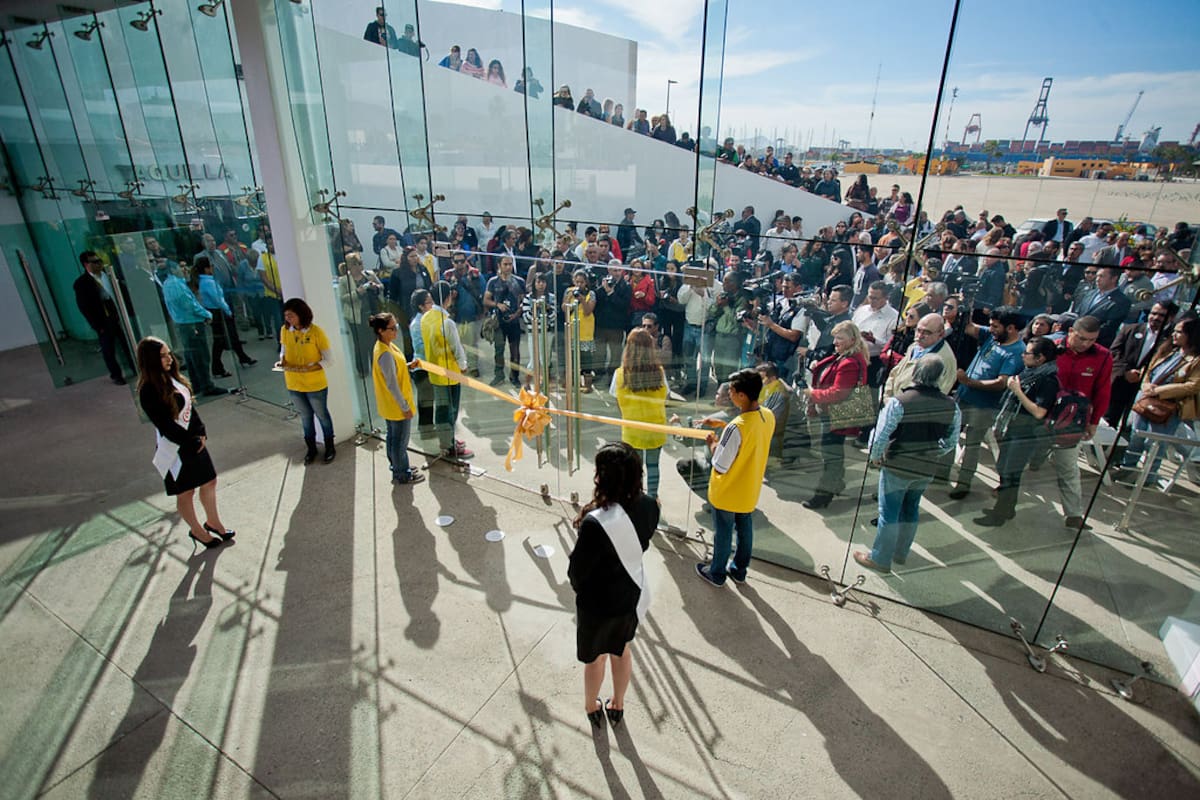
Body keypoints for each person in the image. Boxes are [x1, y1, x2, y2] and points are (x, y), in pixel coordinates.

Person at [567, 442, 659, 728]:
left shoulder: (595, 523)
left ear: (603, 477)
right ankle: (618, 704)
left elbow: (577, 573)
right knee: (622, 651)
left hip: (597, 603)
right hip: (629, 595)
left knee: (595, 659)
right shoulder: (650, 506)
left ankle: (591, 705)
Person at [854, 355, 961, 571]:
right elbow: (951, 441)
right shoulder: (952, 406)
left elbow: (881, 434)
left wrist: (875, 456)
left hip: (898, 464)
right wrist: (933, 453)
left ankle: (880, 558)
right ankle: (900, 553)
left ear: (915, 372)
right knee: (911, 508)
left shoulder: (900, 402)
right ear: (940, 377)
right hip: (926, 467)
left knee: (889, 513)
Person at [136, 336, 233, 553]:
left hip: (194, 441)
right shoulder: (148, 390)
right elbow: (165, 424)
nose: (169, 359)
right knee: (186, 491)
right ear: (151, 360)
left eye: (168, 354)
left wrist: (201, 432)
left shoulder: (172, 378)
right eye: (163, 356)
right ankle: (197, 530)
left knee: (209, 481)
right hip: (176, 449)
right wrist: (191, 441)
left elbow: (191, 407)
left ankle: (213, 522)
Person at [695, 369, 775, 586]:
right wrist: (722, 425)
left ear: (742, 395)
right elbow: (748, 438)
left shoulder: (735, 427)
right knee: (745, 530)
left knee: (723, 532)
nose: (728, 394)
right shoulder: (767, 416)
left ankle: (717, 572)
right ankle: (739, 570)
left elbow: (720, 465)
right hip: (749, 489)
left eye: (731, 390)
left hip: (728, 491)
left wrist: (713, 442)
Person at [974, 336, 1060, 526]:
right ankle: (1008, 508)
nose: (1023, 356)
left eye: (1027, 353)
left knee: (1010, 472)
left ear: (1040, 358)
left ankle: (1000, 514)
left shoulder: (1048, 380)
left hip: (1027, 432)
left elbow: (1039, 412)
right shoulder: (1030, 372)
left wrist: (1017, 390)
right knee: (1004, 467)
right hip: (1013, 427)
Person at [949, 306, 1026, 499]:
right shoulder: (994, 337)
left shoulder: (1016, 352)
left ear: (1011, 328)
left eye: (995, 326)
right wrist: (966, 307)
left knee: (972, 445)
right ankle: (942, 473)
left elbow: (1001, 383)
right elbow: (970, 328)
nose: (991, 329)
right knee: (950, 434)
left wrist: (969, 382)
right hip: (964, 396)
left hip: (983, 406)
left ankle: (963, 484)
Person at [1044, 316, 1111, 528]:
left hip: (1073, 422)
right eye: (1082, 338)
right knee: (1021, 458)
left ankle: (1073, 514)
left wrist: (1094, 422)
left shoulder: (1103, 356)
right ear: (1071, 331)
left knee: (1068, 467)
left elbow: (1103, 391)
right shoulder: (1051, 347)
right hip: (1041, 414)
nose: (1086, 344)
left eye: (1092, 340)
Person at [1117, 315, 1200, 484]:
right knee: (1136, 437)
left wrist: (1158, 391)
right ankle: (1127, 468)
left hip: (1168, 407)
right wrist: (1146, 384)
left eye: (1179, 332)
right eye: (1174, 331)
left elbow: (1193, 385)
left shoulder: (1196, 360)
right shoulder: (1168, 350)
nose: (1174, 335)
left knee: (1155, 443)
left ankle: (1148, 477)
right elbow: (1149, 369)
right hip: (1146, 399)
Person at [800, 321, 870, 509]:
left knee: (831, 455)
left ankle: (824, 494)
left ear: (852, 340)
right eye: (835, 338)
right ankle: (836, 483)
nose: (835, 342)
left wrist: (812, 394)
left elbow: (839, 393)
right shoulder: (847, 357)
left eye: (840, 338)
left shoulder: (849, 362)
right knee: (833, 453)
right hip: (834, 415)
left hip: (836, 416)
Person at [277, 298, 336, 465]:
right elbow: (283, 350)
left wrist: (312, 367)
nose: (288, 319)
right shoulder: (285, 330)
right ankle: (311, 449)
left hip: (314, 384)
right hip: (294, 383)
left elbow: (329, 360)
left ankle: (330, 447)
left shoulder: (316, 332)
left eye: (291, 315)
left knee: (322, 415)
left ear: (301, 314)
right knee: (305, 416)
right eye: (286, 316)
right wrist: (282, 360)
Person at [612, 329, 668, 498]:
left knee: (634, 468)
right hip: (655, 427)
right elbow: (665, 396)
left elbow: (616, 399)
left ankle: (636, 496)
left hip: (632, 429)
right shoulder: (659, 372)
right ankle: (652, 497)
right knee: (653, 466)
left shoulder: (620, 374)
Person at [369, 312, 423, 485]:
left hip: (390, 405)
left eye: (396, 326)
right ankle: (402, 474)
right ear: (381, 330)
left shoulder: (385, 346)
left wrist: (407, 366)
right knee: (400, 442)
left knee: (393, 438)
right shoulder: (385, 353)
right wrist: (405, 407)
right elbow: (392, 384)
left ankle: (398, 466)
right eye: (392, 328)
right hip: (397, 406)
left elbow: (392, 371)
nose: (396, 331)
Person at [1106, 301, 1178, 428]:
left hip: (1147, 390)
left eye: (1161, 315)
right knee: (1108, 422)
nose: (1155, 317)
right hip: (1121, 383)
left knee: (1132, 427)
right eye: (1153, 313)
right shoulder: (1130, 329)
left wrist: (1144, 374)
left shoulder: (1174, 340)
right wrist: (1126, 371)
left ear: (1171, 317)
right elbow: (1114, 352)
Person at [423, 281, 473, 461]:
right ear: (448, 297)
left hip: (434, 372)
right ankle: (449, 446)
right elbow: (457, 348)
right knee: (450, 411)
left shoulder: (425, 318)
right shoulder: (447, 323)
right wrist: (463, 366)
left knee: (442, 410)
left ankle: (447, 440)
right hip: (450, 374)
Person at [73, 250, 129, 384]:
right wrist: (97, 326)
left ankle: (134, 367)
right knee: (109, 350)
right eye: (95, 262)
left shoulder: (109, 276)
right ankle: (116, 375)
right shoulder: (82, 283)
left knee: (126, 344)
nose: (99, 264)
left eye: (99, 261)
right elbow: (84, 307)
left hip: (118, 315)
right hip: (103, 320)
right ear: (86, 264)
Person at [484, 255, 524, 387]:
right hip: (499, 321)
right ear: (499, 265)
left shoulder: (519, 281)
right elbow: (486, 300)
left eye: (510, 264)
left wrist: (517, 313)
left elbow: (524, 301)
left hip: (514, 322)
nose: (508, 267)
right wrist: (497, 305)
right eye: (505, 264)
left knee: (515, 351)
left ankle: (515, 376)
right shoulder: (493, 282)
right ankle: (499, 375)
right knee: (499, 350)